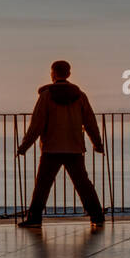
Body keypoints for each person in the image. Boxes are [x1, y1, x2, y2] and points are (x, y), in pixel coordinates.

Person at [16, 60, 105, 229]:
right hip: (74, 148)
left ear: (53, 74)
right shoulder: (80, 96)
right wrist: (97, 144)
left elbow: (36, 125)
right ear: (69, 74)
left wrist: (24, 147)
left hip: (51, 148)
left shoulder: (46, 96)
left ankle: (35, 219)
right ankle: (97, 216)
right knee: (83, 184)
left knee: (42, 185)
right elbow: (90, 122)